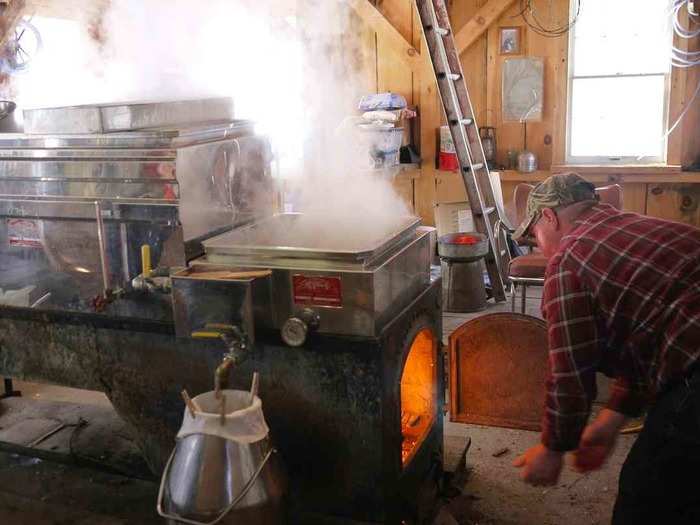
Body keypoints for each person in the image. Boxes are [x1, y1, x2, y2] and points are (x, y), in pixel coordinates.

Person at [509, 173, 700, 524]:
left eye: (534, 236)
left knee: (648, 498)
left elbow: (570, 370)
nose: (538, 248)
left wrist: (553, 447)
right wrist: (611, 420)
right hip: (687, 343)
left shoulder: (569, 259)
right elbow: (646, 336)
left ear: (549, 217)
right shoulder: (633, 225)